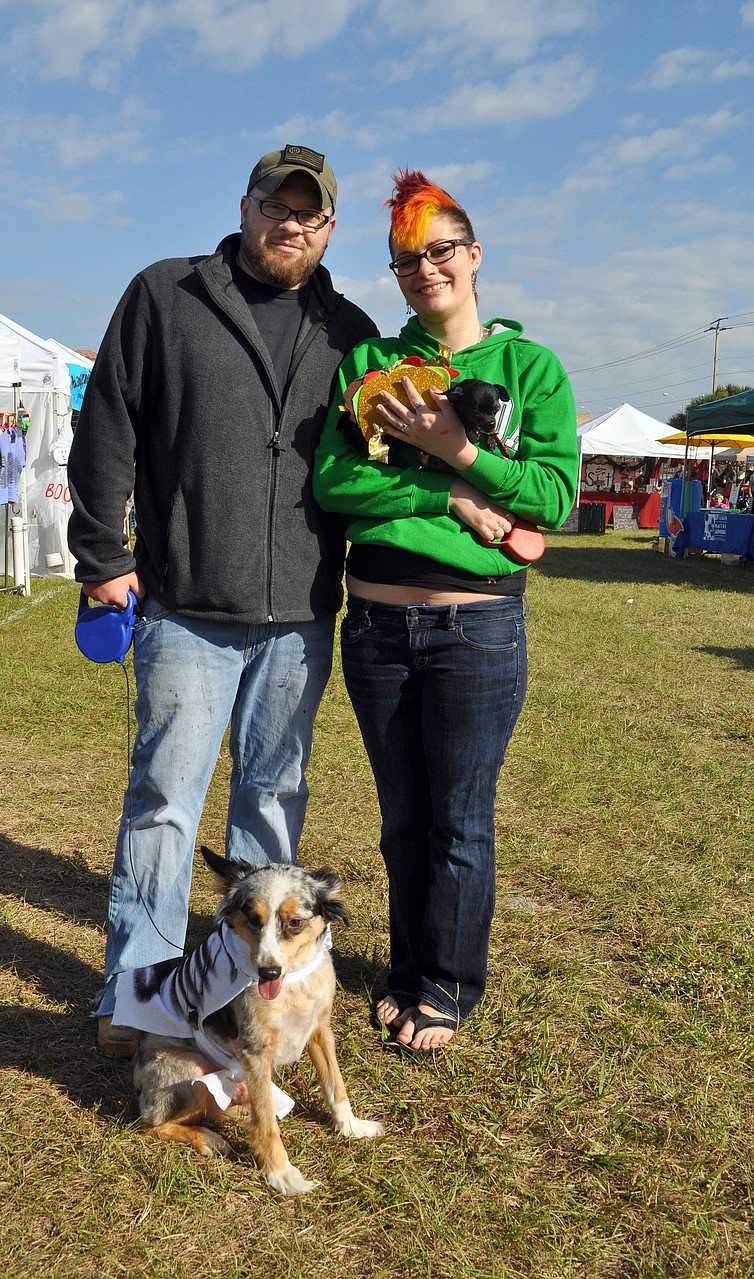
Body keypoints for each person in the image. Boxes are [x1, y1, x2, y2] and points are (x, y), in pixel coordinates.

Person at [67, 144, 378, 1057]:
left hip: (301, 615)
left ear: (328, 228)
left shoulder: (349, 330)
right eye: (274, 206)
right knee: (164, 800)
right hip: (187, 605)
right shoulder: (168, 295)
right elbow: (107, 428)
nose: (290, 224)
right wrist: (101, 553)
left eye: (309, 213)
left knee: (272, 806)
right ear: (244, 209)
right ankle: (139, 997)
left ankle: (247, 990)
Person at [313, 171, 578, 1052]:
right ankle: (402, 970)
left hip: (478, 628)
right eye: (403, 260)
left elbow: (553, 497)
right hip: (378, 629)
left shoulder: (530, 369)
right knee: (401, 819)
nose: (424, 269)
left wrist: (456, 447)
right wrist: (451, 499)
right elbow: (335, 482)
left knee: (461, 817)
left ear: (472, 256)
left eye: (438, 251)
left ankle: (449, 985)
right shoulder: (371, 365)